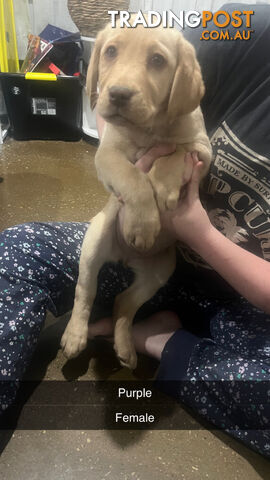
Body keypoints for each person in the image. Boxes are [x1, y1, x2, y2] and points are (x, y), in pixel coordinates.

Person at [0, 3, 270, 457]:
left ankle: (153, 336)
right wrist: (126, 138)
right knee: (13, 253)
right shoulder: (247, 24)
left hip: (238, 301)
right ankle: (108, 316)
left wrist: (195, 229)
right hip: (130, 235)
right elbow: (135, 51)